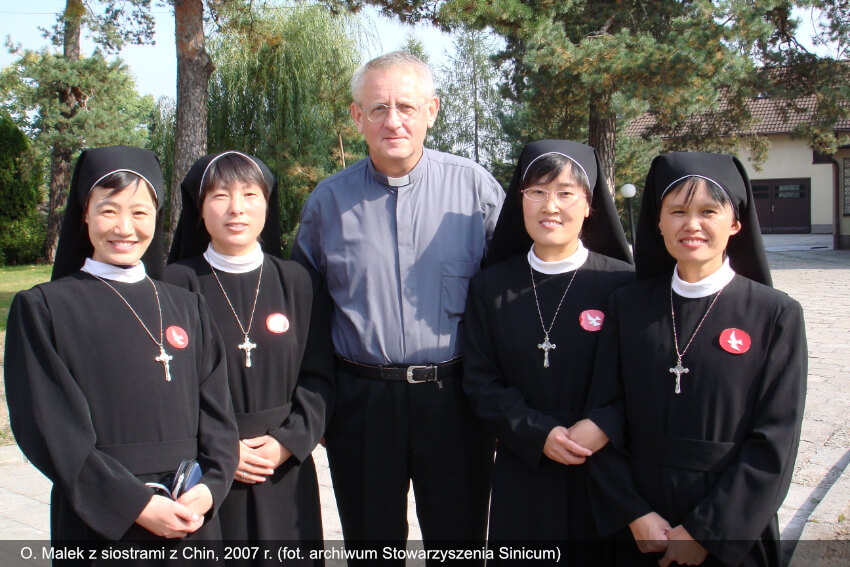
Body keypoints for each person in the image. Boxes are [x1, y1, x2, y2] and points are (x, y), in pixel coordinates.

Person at [291, 51, 504, 559]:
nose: (393, 121)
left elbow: (511, 294)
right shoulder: (327, 203)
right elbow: (305, 311)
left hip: (455, 402)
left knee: (460, 545)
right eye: (379, 108)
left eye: (406, 107)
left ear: (432, 110)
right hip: (363, 405)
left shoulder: (474, 189)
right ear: (356, 116)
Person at [3, 146, 239, 555]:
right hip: (100, 515)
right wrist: (136, 505)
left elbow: (218, 414)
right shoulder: (44, 308)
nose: (124, 228)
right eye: (109, 211)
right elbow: (50, 430)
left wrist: (210, 488)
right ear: (84, 214)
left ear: (157, 217)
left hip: (189, 513)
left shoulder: (187, 305)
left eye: (140, 212)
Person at [584, 152, 807, 566]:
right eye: (677, 211)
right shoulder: (627, 307)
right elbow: (603, 416)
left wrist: (708, 531)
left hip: (732, 530)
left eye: (708, 211)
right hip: (640, 528)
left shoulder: (776, 315)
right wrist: (634, 513)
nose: (692, 224)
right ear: (658, 221)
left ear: (736, 222)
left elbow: (775, 442)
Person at [462, 140, 633, 559]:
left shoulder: (624, 285)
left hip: (603, 467)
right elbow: (480, 380)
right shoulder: (490, 286)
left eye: (565, 192)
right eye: (536, 192)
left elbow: (642, 377)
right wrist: (538, 434)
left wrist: (604, 424)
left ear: (590, 204)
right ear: (520, 201)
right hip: (524, 466)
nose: (549, 206)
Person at [164, 151, 332, 559]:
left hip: (282, 469)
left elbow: (319, 377)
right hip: (206, 471)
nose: (236, 208)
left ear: (267, 204)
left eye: (250, 194)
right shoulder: (172, 284)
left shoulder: (299, 281)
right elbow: (168, 389)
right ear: (199, 208)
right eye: (220, 195)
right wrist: (222, 449)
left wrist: (288, 443)